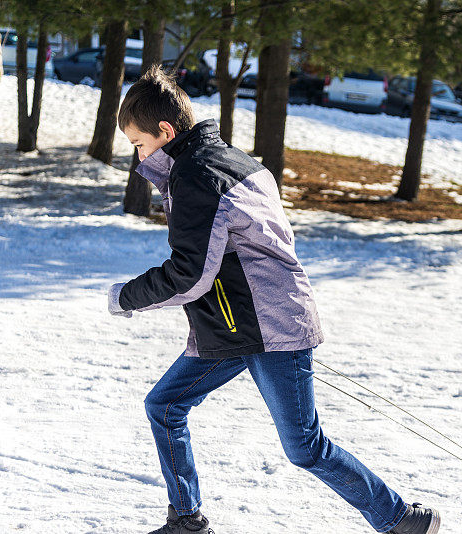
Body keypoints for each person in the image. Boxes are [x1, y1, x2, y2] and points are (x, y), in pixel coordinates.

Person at [106, 65, 441, 534]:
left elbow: (190, 273)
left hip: (268, 327)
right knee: (164, 406)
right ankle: (187, 520)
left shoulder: (199, 176)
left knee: (305, 447)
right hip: (237, 326)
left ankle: (401, 519)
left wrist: (128, 297)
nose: (138, 156)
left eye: (140, 144)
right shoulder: (230, 161)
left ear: (165, 130)